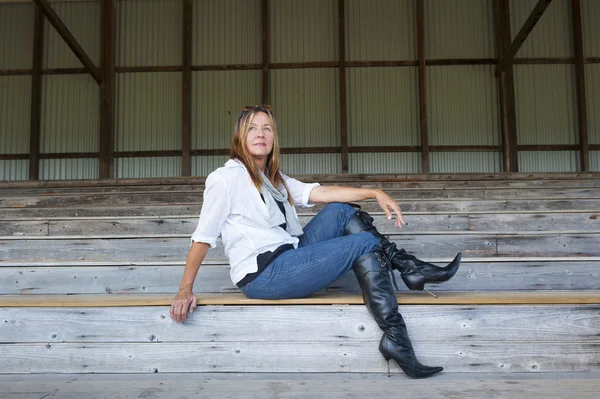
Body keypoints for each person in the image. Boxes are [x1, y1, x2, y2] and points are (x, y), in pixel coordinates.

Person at [170, 105, 461, 378]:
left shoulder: (273, 179)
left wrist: (374, 192)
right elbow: (203, 236)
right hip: (264, 274)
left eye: (267, 128)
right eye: (252, 129)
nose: (261, 134)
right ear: (240, 138)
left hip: (291, 255)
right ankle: (398, 337)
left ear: (274, 137)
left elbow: (318, 193)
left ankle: (409, 268)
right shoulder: (225, 179)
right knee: (362, 242)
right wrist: (185, 289)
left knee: (340, 211)